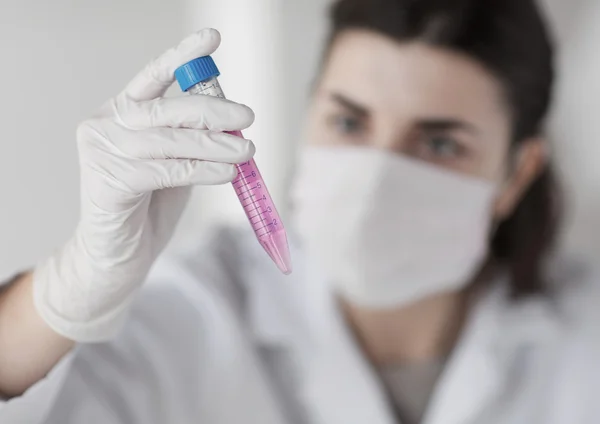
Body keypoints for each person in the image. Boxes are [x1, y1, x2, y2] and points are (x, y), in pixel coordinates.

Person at [1, 0, 600, 422]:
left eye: (440, 143)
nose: (376, 178)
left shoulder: (583, 338)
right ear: (309, 111)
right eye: (347, 121)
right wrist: (65, 293)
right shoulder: (198, 313)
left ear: (516, 173)